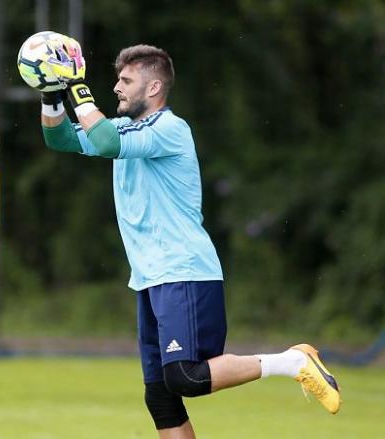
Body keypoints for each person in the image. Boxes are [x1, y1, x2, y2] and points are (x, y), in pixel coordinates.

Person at [36, 38, 341, 438]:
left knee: (186, 378)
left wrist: (76, 85)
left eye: (126, 80)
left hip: (184, 271)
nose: (116, 88)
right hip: (150, 278)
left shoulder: (170, 129)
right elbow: (58, 139)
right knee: (160, 397)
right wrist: (50, 92)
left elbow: (107, 143)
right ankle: (289, 362)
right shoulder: (125, 126)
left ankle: (292, 362)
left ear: (154, 88)